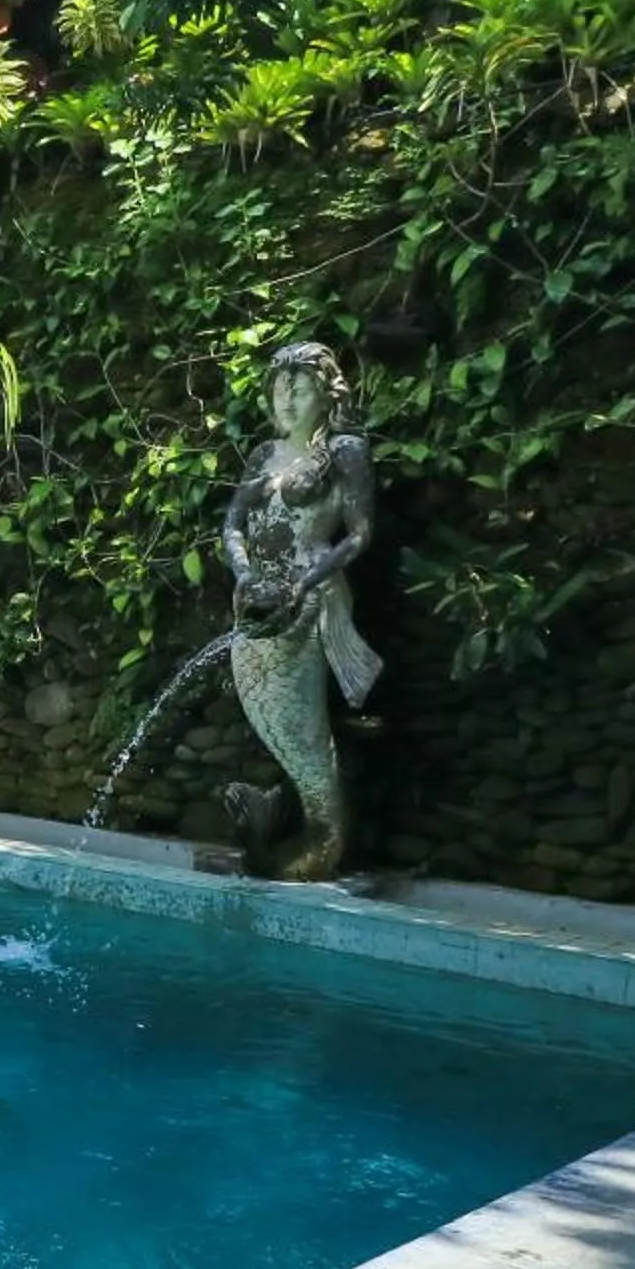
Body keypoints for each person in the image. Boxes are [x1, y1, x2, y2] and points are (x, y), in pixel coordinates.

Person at [218, 341, 381, 880]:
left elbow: (359, 534)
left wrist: (305, 581)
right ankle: (284, 812)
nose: (287, 396)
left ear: (325, 391)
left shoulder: (346, 450)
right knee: (270, 707)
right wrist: (245, 575)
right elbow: (232, 524)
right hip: (259, 597)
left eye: (300, 385)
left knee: (303, 720)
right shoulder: (264, 455)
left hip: (310, 595)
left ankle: (323, 832)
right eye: (280, 386)